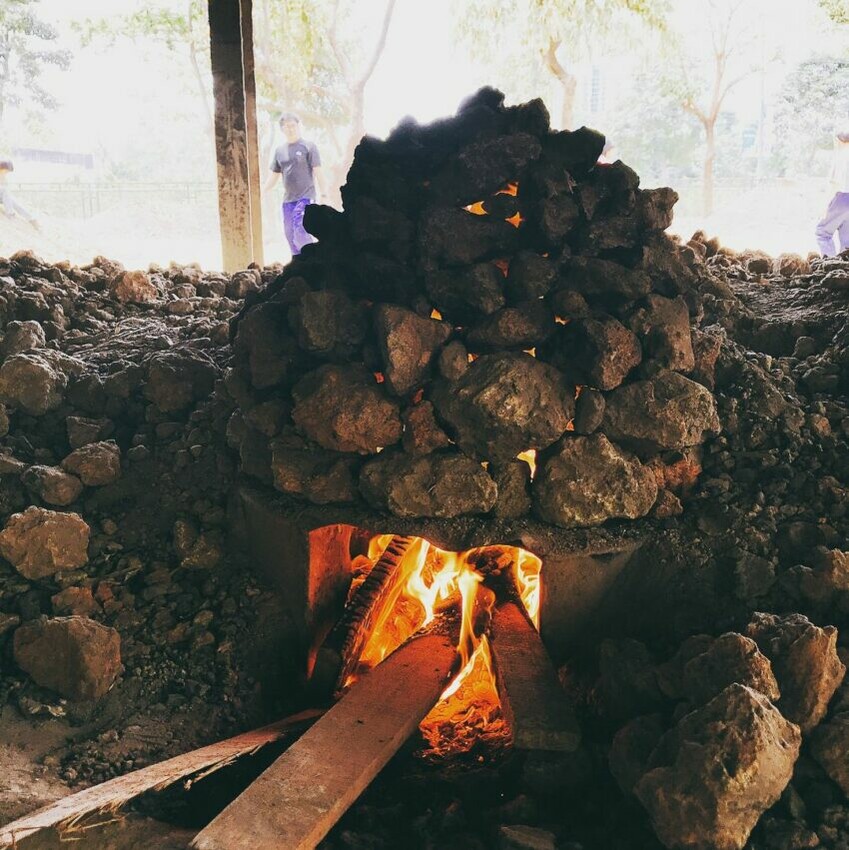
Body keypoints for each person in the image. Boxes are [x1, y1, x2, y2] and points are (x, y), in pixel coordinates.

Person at [265, 113, 324, 257]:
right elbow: (274, 175)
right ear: (282, 129)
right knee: (289, 232)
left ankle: (312, 258)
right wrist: (261, 192)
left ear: (298, 126)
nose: (290, 129)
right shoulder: (279, 151)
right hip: (288, 200)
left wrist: (324, 193)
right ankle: (298, 262)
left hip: (306, 196)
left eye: (293, 125)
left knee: (300, 226)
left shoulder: (309, 147)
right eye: (287, 126)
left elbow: (318, 171)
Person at [815, 130, 849, 257]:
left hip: (842, 197)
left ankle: (829, 263)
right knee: (847, 241)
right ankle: (845, 269)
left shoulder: (841, 156)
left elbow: (833, 182)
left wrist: (824, 206)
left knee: (822, 233)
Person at [0, 160, 39, 230]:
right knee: (5, 191)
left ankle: (31, 218)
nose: (7, 173)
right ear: (2, 168)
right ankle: (10, 213)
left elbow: (5, 189)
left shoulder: (3, 177)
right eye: (6, 171)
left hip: (2, 196)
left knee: (13, 202)